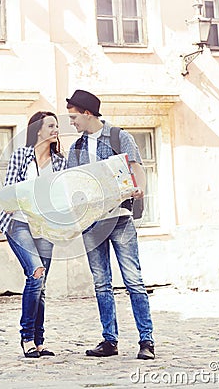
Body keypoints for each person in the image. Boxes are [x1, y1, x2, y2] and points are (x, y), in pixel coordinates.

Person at [66, 89, 155, 360]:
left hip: (120, 219)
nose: (71, 122)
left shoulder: (119, 136)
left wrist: (139, 188)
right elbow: (73, 182)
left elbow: (136, 167)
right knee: (101, 283)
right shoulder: (76, 148)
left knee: (133, 280)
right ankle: (109, 340)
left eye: (74, 116)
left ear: (88, 113)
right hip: (92, 223)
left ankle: (146, 341)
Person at [0, 111, 67, 358]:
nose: (55, 129)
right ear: (38, 129)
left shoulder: (60, 162)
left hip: (45, 228)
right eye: (50, 125)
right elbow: (7, 190)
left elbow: (61, 196)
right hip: (19, 224)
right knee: (36, 274)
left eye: (56, 125)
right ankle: (26, 337)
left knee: (42, 284)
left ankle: (39, 341)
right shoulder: (21, 156)